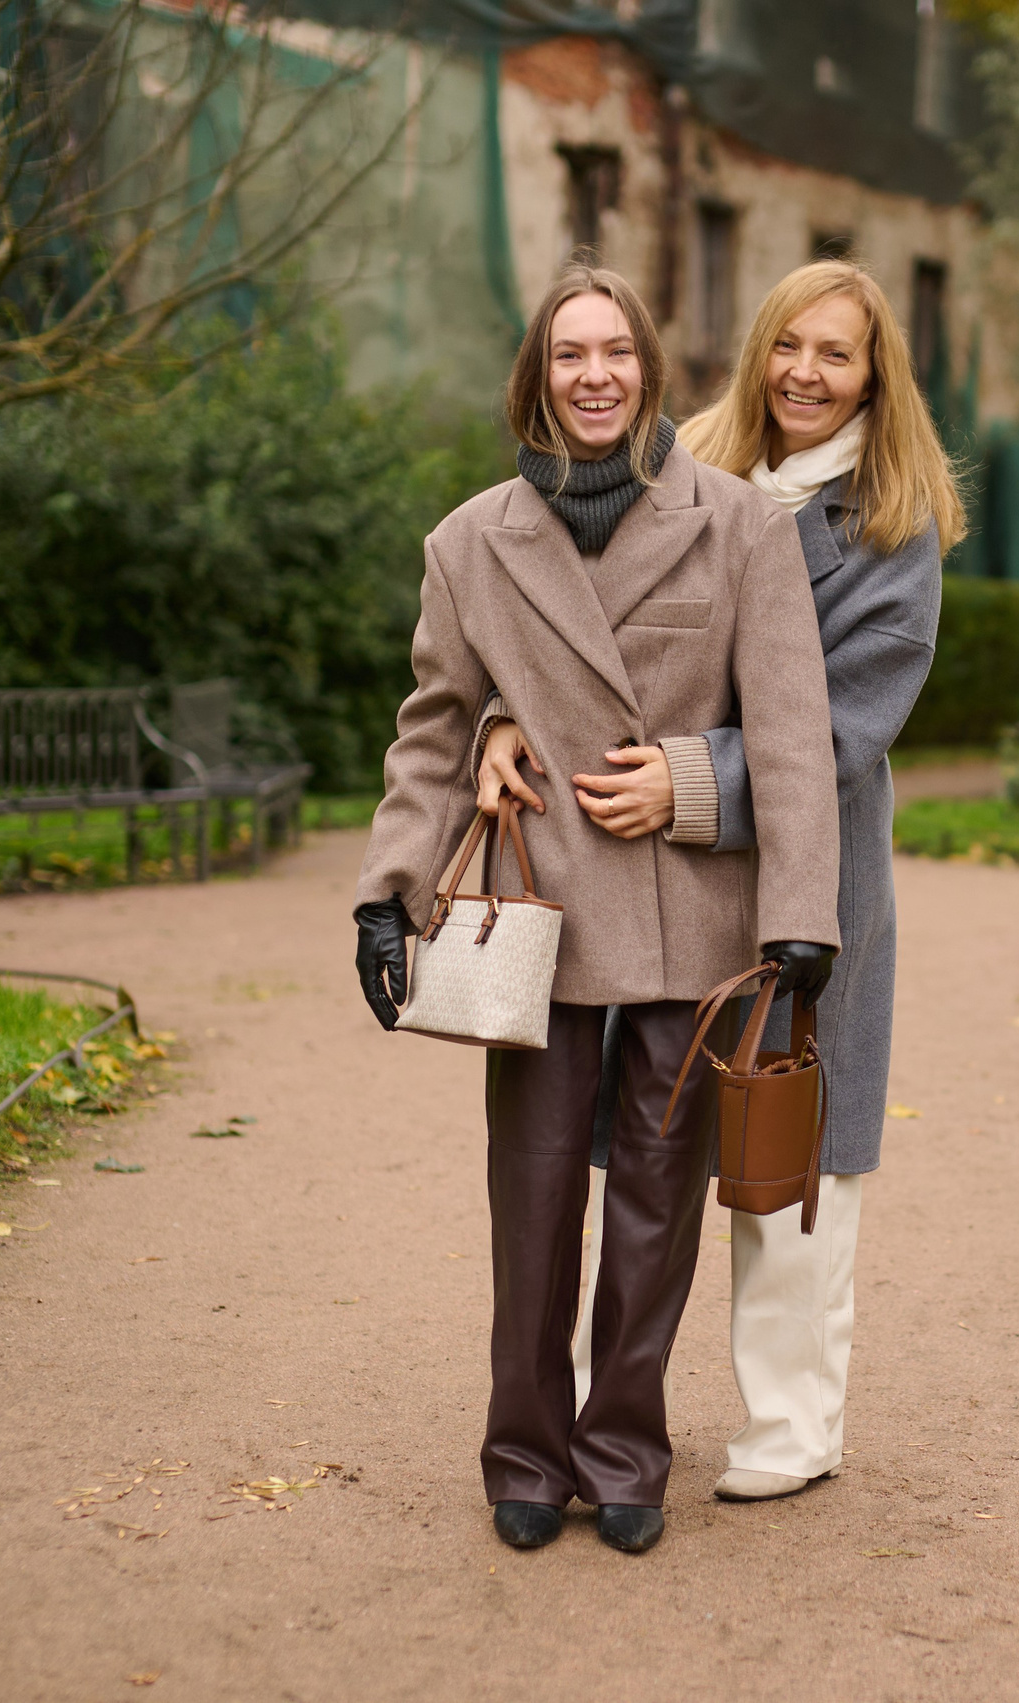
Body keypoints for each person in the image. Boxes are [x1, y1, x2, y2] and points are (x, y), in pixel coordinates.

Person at [352, 264, 843, 1556]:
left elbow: (788, 735)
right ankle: (524, 1445)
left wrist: (800, 918)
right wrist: (388, 892)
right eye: (569, 354)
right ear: (536, 375)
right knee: (534, 1195)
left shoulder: (742, 526)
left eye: (614, 352)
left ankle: (624, 1446)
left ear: (647, 369)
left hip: (692, 917)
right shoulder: (469, 542)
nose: (593, 375)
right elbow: (433, 728)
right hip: (542, 915)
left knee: (658, 1199)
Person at [478, 258, 962, 1504]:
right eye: (788, 345)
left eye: (837, 354)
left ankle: (793, 1419)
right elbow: (549, 622)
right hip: (649, 875)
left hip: (805, 866)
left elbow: (842, 725)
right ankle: (604, 1412)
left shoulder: (893, 526)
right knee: (644, 1146)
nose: (807, 372)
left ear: (874, 376)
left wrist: (690, 783)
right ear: (758, 354)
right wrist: (495, 718)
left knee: (784, 1136)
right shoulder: (671, 472)